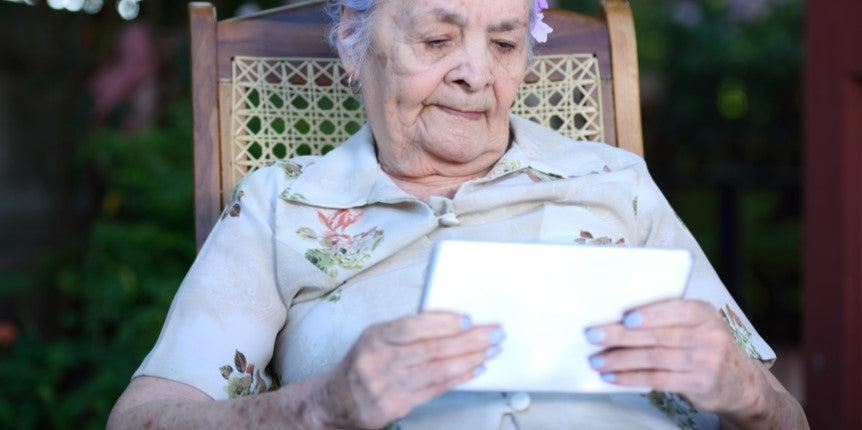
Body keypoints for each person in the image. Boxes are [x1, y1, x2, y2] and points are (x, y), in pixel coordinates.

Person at [107, 0, 808, 428]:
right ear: (354, 41)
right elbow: (143, 421)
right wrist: (316, 409)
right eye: (438, 41)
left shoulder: (615, 180)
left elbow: (784, 418)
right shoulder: (277, 208)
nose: (477, 73)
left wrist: (746, 391)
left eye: (504, 43)